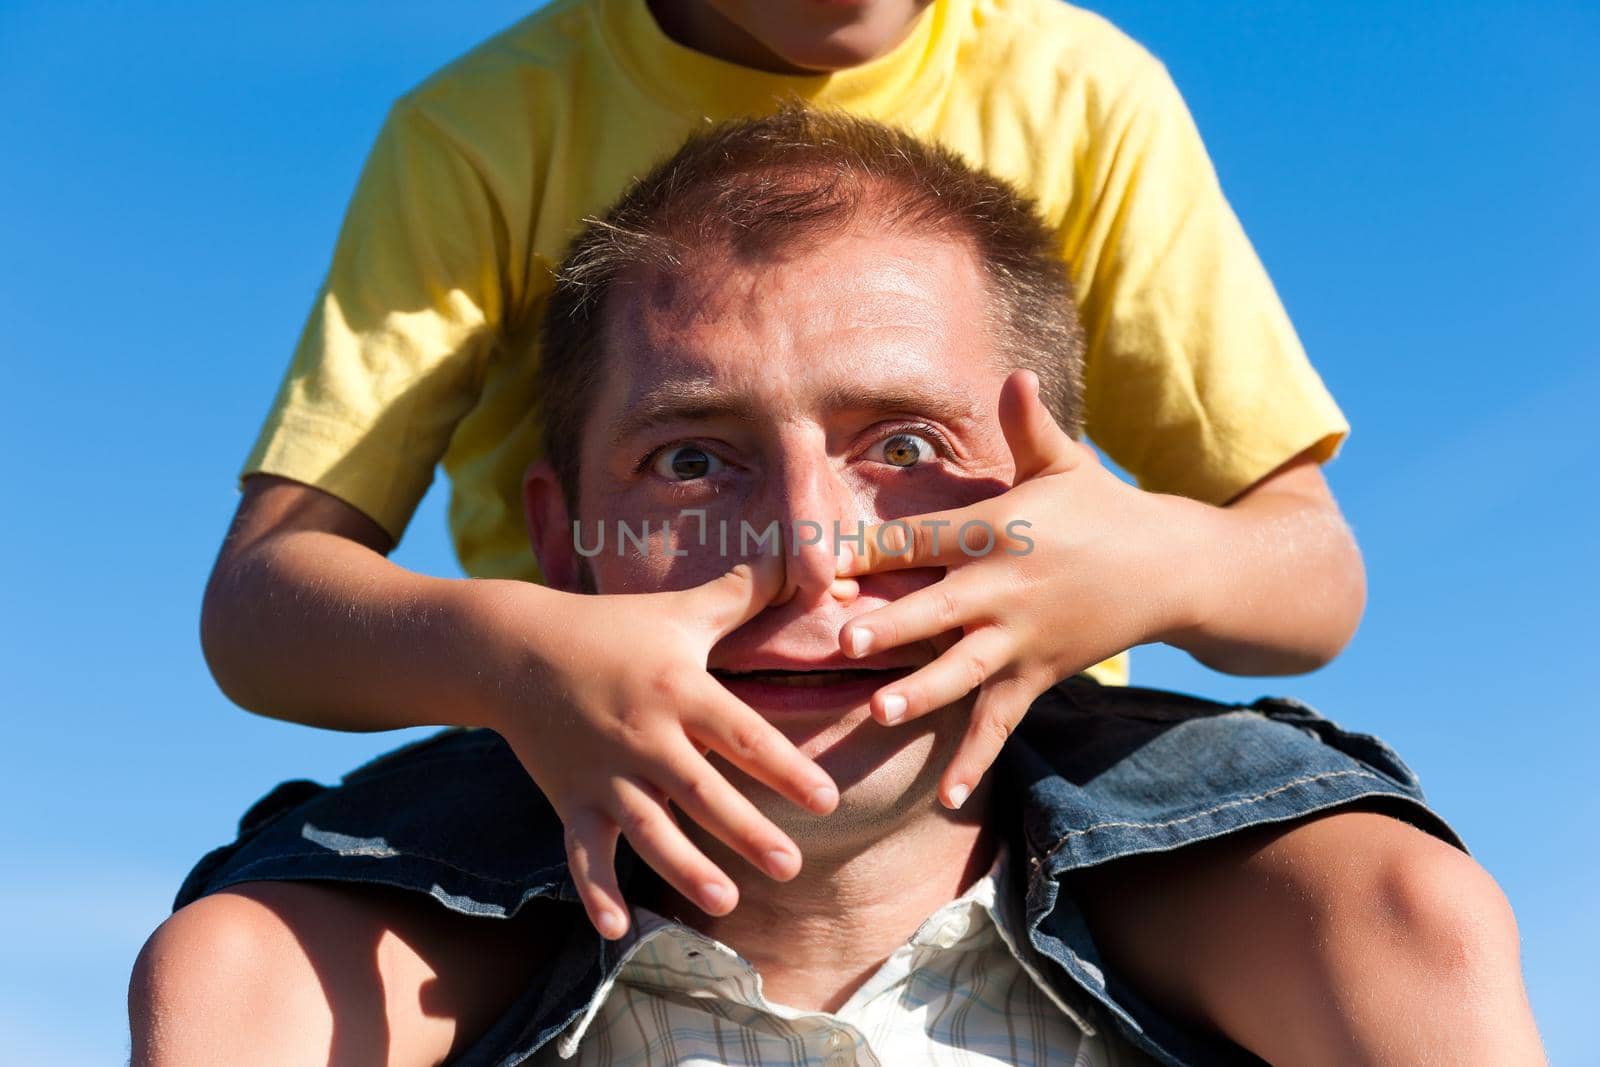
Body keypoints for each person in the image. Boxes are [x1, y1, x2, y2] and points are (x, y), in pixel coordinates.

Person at [131, 108, 1544, 1065]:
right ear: (557, 542)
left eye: (910, 446)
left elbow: (1306, 573)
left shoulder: (1096, 100)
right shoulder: (480, 132)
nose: (809, 547)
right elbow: (266, 599)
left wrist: (1158, 552)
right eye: (693, 459)